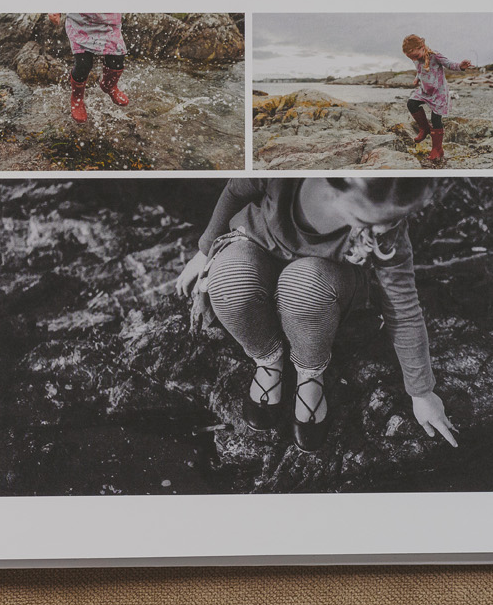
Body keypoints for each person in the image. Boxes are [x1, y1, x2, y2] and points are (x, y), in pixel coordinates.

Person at [175, 177, 459, 452]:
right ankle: (268, 360)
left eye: (390, 221)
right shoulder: (284, 171)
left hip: (323, 279)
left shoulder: (385, 228)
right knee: (228, 281)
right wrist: (204, 250)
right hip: (256, 243)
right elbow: (235, 191)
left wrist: (421, 392)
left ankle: (310, 374)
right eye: (367, 220)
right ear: (339, 183)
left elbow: (404, 309)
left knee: (303, 286)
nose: (383, 228)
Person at [401, 34, 474, 163]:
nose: (414, 59)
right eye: (411, 58)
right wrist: (417, 78)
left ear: (422, 47)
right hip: (425, 91)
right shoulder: (416, 59)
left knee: (436, 119)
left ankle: (437, 149)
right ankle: (424, 128)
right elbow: (420, 69)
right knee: (411, 104)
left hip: (438, 92)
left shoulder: (435, 56)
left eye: (415, 56)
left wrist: (461, 66)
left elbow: (449, 64)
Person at [46, 13, 129, 123]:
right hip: (80, 23)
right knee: (83, 65)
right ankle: (77, 98)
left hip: (109, 23)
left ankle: (109, 86)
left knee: (117, 60)